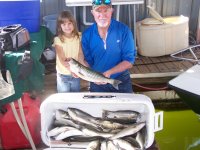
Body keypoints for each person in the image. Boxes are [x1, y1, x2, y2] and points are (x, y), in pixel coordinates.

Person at [81, 0, 136, 93]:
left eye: (106, 10)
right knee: (98, 108)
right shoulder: (87, 35)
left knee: (125, 107)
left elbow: (129, 61)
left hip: (120, 80)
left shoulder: (124, 30)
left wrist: (109, 72)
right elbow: (88, 61)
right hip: (97, 84)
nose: (102, 15)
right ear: (92, 13)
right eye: (98, 11)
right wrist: (90, 76)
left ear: (111, 11)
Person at [53, 10, 84, 92]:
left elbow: (80, 53)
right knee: (64, 98)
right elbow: (62, 59)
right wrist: (72, 70)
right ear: (60, 26)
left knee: (75, 96)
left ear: (74, 23)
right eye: (64, 24)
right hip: (63, 75)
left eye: (69, 23)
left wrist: (81, 68)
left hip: (76, 73)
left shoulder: (79, 36)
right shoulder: (58, 40)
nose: (67, 26)